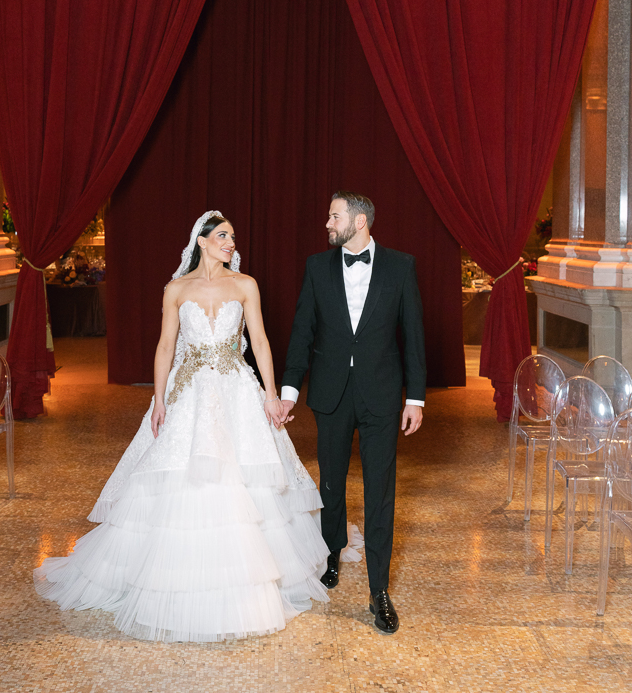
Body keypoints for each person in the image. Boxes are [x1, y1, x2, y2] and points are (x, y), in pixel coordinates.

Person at [35, 211, 329, 642]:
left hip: (236, 391)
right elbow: (165, 346)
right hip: (188, 393)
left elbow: (261, 342)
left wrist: (270, 393)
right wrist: (158, 400)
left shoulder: (245, 285)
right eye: (224, 236)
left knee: (248, 480)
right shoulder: (176, 290)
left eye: (232, 236)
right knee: (176, 479)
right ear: (203, 240)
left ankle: (246, 582)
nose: (231, 243)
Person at [280, 191, 426, 634]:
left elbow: (414, 334)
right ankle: (330, 554)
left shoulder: (401, 266)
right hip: (331, 393)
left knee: (381, 491)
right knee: (331, 481)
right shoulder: (317, 266)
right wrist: (289, 389)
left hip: (381, 395)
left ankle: (379, 591)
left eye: (334, 215)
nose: (327, 222)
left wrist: (415, 398)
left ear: (359, 221)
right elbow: (302, 329)